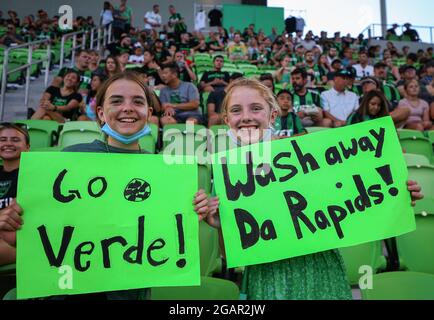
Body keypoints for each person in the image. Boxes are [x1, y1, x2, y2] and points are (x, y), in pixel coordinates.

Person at [204, 78, 424, 300]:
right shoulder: (228, 176)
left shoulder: (311, 156)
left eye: (256, 108)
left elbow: (358, 200)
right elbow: (231, 255)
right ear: (227, 120)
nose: (246, 117)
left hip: (322, 272)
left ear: (272, 115)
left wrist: (395, 193)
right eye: (236, 110)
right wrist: (222, 226)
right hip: (267, 280)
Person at [0, 72, 209, 300]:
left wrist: (195, 207)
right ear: (100, 113)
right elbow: (33, 235)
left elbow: (169, 233)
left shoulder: (166, 172)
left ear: (149, 113)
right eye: (116, 101)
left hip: (129, 292)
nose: (127, 108)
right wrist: (12, 221)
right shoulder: (69, 160)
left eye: (138, 101)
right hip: (68, 291)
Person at [0, 123, 30, 266]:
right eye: (3, 139)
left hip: (20, 236)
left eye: (15, 140)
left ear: (27, 147)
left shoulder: (34, 175)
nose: (8, 143)